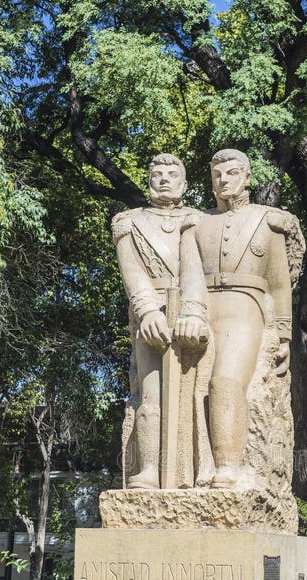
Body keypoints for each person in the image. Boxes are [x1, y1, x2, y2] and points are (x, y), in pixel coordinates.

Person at [177, 148, 302, 489]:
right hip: (203, 307)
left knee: (225, 381)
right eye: (217, 174)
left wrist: (283, 335)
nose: (223, 180)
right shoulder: (195, 224)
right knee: (191, 389)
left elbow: (279, 284)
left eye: (232, 173)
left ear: (247, 177)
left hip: (246, 307)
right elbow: (187, 275)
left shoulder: (267, 221)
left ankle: (228, 466)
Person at [112, 154, 205, 488]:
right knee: (150, 393)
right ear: (148, 180)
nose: (164, 179)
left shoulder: (200, 220)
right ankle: (150, 468)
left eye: (172, 174)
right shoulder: (128, 221)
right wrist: (147, 311)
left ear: (185, 183)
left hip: (195, 311)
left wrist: (195, 311)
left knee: (197, 395)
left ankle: (197, 471)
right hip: (151, 312)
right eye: (157, 174)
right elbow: (132, 272)